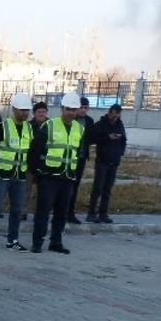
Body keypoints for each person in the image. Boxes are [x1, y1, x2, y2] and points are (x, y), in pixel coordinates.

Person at [28, 93, 83, 254]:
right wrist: (38, 172)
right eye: (68, 109)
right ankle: (37, 242)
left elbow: (78, 152)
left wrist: (74, 174)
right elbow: (35, 151)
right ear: (62, 109)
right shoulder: (49, 125)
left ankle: (56, 242)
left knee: (61, 212)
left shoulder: (79, 129)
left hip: (67, 177)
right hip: (49, 177)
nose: (71, 112)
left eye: (74, 110)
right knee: (43, 212)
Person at [0, 93, 33, 251]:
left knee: (17, 210)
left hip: (20, 175)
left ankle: (12, 241)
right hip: (2, 174)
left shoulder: (29, 128)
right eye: (22, 110)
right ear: (14, 109)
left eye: (27, 110)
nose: (25, 113)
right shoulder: (3, 126)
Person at [88, 103, 126, 223]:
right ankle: (91, 213)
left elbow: (124, 140)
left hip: (114, 161)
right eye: (113, 113)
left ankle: (103, 213)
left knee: (107, 189)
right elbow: (93, 138)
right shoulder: (101, 124)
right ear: (109, 113)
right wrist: (108, 137)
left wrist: (120, 153)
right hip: (102, 160)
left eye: (117, 114)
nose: (114, 116)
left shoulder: (120, 125)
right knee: (98, 187)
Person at [67, 95, 95, 224]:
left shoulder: (89, 121)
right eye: (81, 107)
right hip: (69, 158)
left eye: (86, 107)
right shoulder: (71, 120)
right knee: (66, 185)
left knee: (75, 186)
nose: (83, 110)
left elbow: (92, 138)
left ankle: (70, 213)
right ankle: (61, 212)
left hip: (81, 158)